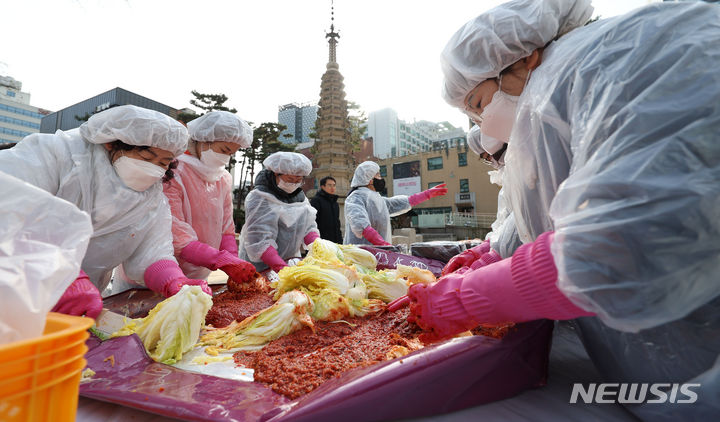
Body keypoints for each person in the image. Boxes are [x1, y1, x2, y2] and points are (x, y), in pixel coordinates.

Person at [401, 0, 720, 420]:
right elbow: (543, 208)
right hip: (655, 369)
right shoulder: (559, 95)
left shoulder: (631, 58)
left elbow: (619, 250)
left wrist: (466, 298)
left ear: (525, 58)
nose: (482, 123)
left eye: (479, 103)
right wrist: (492, 255)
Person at [0, 105, 212, 318]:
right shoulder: (55, 155)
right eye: (147, 158)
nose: (153, 169)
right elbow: (9, 209)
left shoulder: (151, 198)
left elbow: (153, 250)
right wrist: (58, 274)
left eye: (162, 164)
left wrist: (173, 279)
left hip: (77, 306)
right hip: (12, 288)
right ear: (112, 142)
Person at [162, 111, 256, 284]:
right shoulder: (173, 171)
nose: (226, 158)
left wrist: (233, 260)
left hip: (200, 272)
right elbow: (175, 234)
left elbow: (226, 226)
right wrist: (221, 260)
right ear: (203, 140)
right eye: (224, 150)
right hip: (160, 273)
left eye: (231, 153)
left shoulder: (223, 178)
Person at [238, 151, 320, 274]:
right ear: (276, 173)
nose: (294, 183)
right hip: (260, 267)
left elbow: (308, 227)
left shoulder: (301, 198)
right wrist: (280, 267)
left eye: (299, 180)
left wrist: (318, 247)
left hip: (288, 261)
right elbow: (259, 240)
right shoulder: (260, 197)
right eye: (290, 178)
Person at [344, 161, 448, 246]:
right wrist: (382, 244)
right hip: (360, 255)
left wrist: (426, 194)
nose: (381, 178)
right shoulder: (356, 197)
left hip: (378, 253)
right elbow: (359, 223)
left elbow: (396, 204)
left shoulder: (376, 198)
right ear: (370, 179)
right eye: (378, 175)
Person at [310, 176, 343, 243]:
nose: (332, 188)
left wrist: (340, 241)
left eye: (334, 185)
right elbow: (311, 222)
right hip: (321, 241)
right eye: (329, 185)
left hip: (334, 242)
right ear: (323, 187)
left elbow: (337, 223)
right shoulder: (316, 201)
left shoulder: (335, 203)